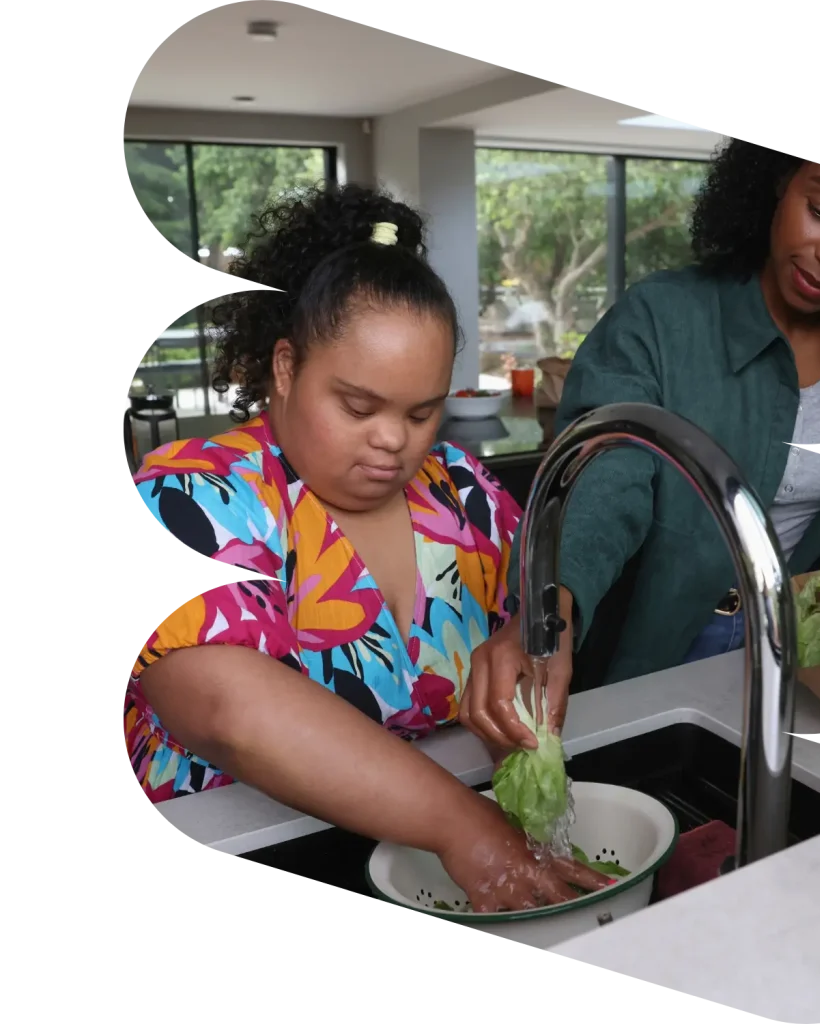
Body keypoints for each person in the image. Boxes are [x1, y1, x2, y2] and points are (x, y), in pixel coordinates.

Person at [123, 183, 610, 911]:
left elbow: (543, 588)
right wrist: (460, 828)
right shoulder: (194, 496)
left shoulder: (463, 491)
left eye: (422, 411)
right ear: (285, 368)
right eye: (358, 406)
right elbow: (230, 711)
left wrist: (542, 627)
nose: (393, 440)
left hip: (412, 854)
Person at [462, 137, 820, 753]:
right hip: (648, 651)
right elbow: (603, 479)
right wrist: (547, 618)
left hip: (796, 665)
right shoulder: (662, 318)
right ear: (777, 179)